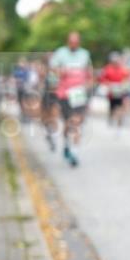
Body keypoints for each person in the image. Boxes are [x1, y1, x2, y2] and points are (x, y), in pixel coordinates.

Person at [49, 31, 93, 167]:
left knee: (77, 121)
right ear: (68, 41)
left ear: (79, 42)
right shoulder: (60, 53)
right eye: (71, 42)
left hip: (79, 92)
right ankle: (67, 144)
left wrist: (89, 85)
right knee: (68, 123)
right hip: (64, 93)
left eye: (76, 42)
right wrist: (61, 72)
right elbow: (53, 70)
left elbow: (89, 72)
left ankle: (74, 152)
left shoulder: (85, 54)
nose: (74, 44)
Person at [99, 52, 130, 129]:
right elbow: (102, 78)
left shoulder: (123, 69)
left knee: (120, 105)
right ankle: (111, 117)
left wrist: (124, 84)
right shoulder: (108, 68)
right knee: (112, 105)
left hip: (120, 91)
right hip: (111, 91)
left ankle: (119, 119)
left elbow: (128, 78)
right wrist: (108, 84)